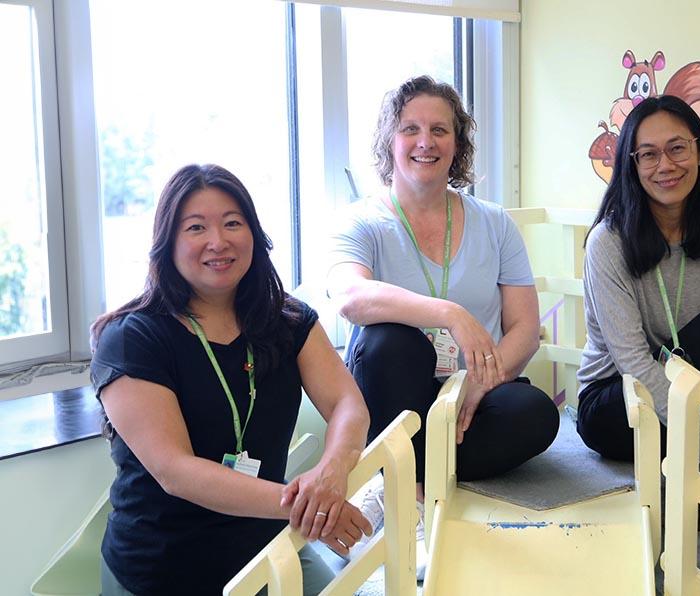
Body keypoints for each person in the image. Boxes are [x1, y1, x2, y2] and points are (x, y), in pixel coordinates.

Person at [90, 164, 373, 595]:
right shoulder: (131, 338)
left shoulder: (288, 320)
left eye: (232, 224)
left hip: (268, 548)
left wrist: (332, 471)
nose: (217, 242)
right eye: (196, 227)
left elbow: (347, 405)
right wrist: (311, 508)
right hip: (165, 567)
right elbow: (176, 471)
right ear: (168, 242)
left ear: (254, 236)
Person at [327, 75, 560, 560]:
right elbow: (349, 295)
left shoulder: (495, 222)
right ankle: (409, 494)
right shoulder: (362, 220)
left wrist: (481, 382)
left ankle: (398, 480)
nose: (425, 142)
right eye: (410, 128)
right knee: (390, 340)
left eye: (440, 129)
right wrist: (450, 313)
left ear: (458, 144)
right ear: (389, 140)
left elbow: (524, 328)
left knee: (536, 414)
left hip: (473, 398)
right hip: (394, 395)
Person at [576, 95, 700, 471]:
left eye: (677, 148)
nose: (665, 165)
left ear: (699, 152)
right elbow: (632, 361)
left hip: (695, 393)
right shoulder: (609, 242)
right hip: (620, 399)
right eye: (648, 155)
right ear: (631, 166)